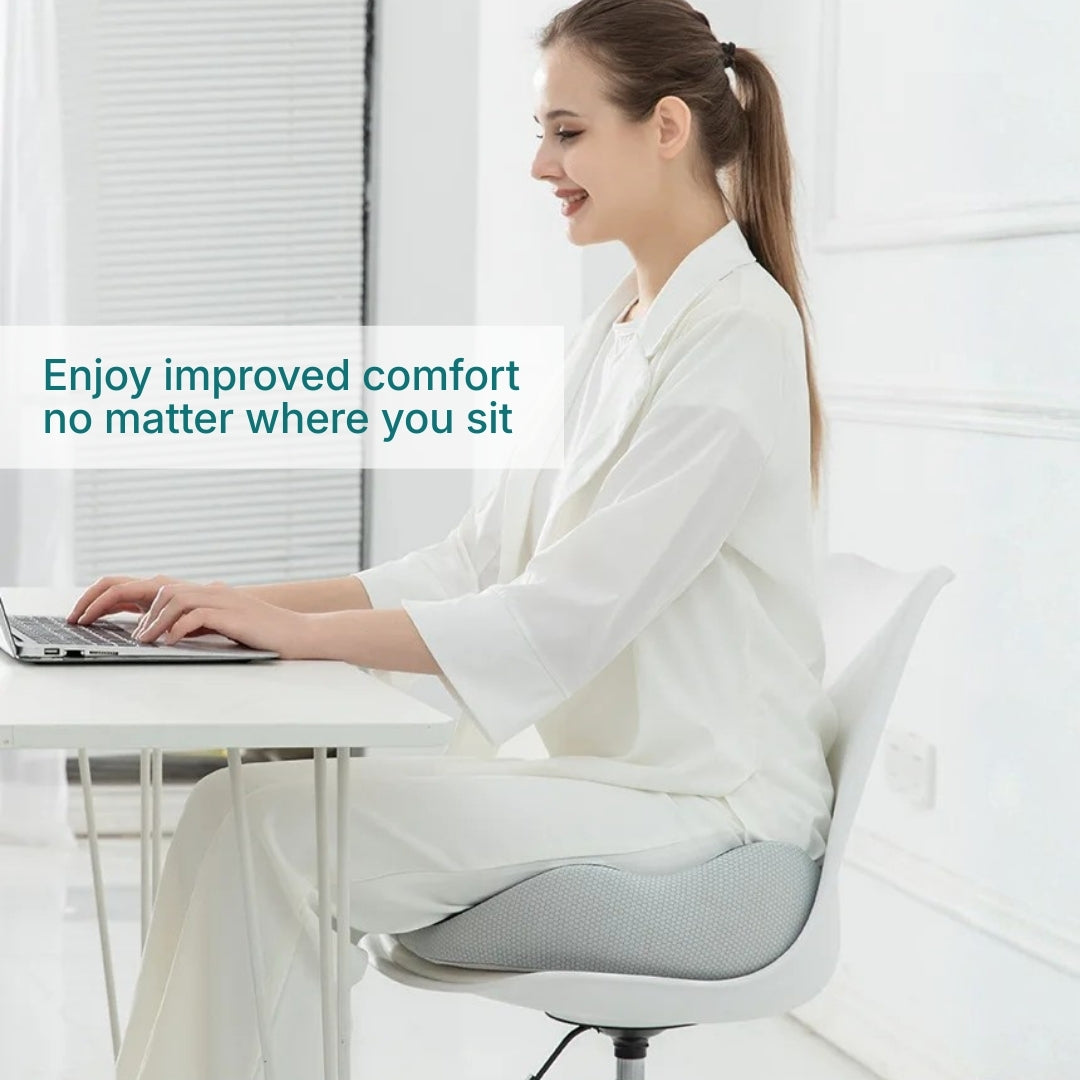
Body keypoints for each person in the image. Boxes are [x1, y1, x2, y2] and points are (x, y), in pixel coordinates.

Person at [68, 2, 839, 1076]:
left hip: (709, 809)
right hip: (632, 782)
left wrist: (293, 634)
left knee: (265, 828)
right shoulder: (621, 324)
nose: (541, 165)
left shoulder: (738, 336)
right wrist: (229, 601)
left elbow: (560, 619)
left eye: (567, 132)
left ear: (666, 128)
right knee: (234, 815)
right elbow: (475, 562)